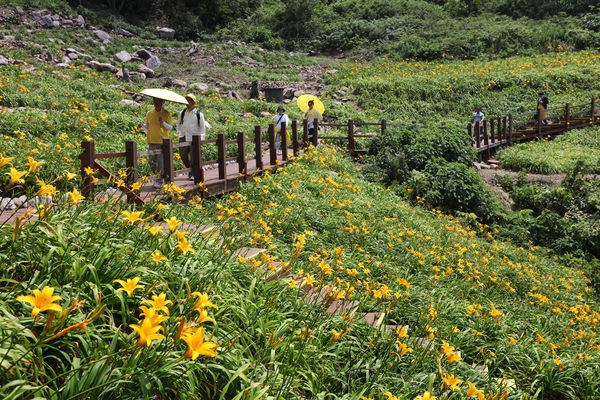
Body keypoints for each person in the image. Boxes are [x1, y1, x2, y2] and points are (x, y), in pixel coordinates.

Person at [138, 97, 174, 189]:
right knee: (151, 162)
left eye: (158, 101)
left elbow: (170, 127)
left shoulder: (166, 113)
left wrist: (163, 122)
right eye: (155, 101)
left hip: (162, 142)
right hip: (151, 141)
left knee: (161, 162)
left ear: (162, 102)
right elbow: (148, 125)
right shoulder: (149, 113)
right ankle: (159, 177)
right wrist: (142, 125)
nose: (156, 103)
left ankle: (159, 180)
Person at [176, 93, 206, 180]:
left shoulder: (198, 114)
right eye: (186, 100)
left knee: (194, 157)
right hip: (183, 136)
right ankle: (191, 170)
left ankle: (192, 173)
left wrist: (201, 138)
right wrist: (179, 132)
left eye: (189, 100)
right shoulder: (182, 113)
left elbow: (202, 127)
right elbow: (178, 123)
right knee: (183, 155)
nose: (187, 102)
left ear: (193, 102)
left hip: (194, 138)